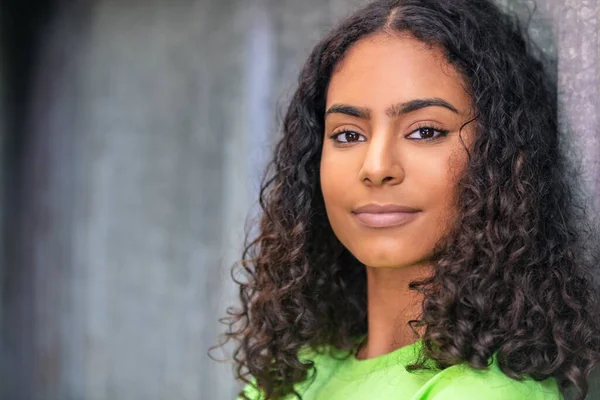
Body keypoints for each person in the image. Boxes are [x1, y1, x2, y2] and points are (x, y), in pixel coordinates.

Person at [217, 0, 600, 399]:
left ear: (502, 155)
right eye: (348, 134)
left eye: (425, 131)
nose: (377, 166)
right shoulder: (302, 371)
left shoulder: (480, 391)